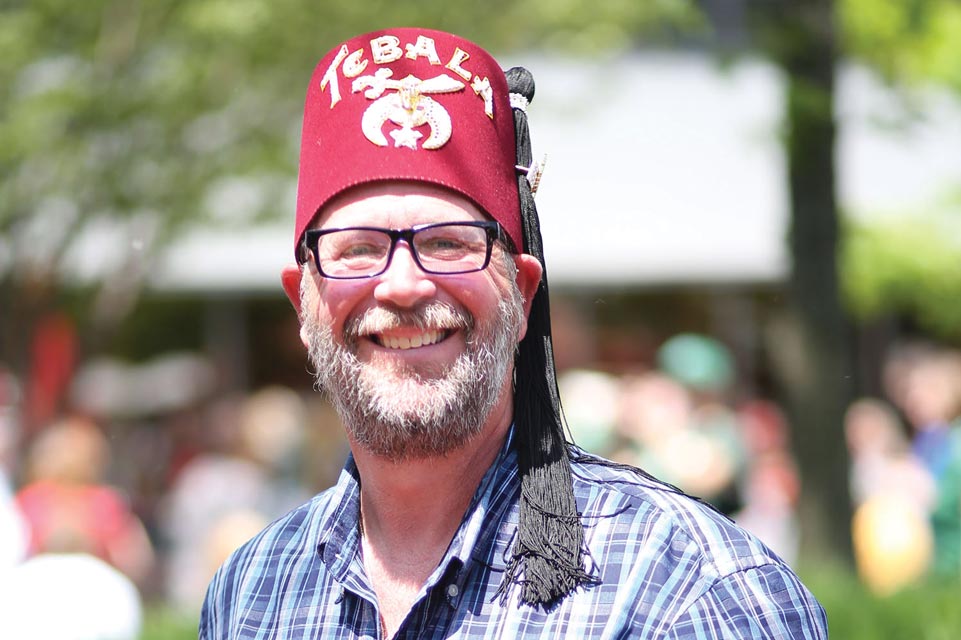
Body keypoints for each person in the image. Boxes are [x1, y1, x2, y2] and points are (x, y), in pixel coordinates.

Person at [201, 28, 827, 638]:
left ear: (523, 293)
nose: (401, 285)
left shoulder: (690, 593)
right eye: (357, 249)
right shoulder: (253, 594)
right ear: (302, 302)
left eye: (448, 244)